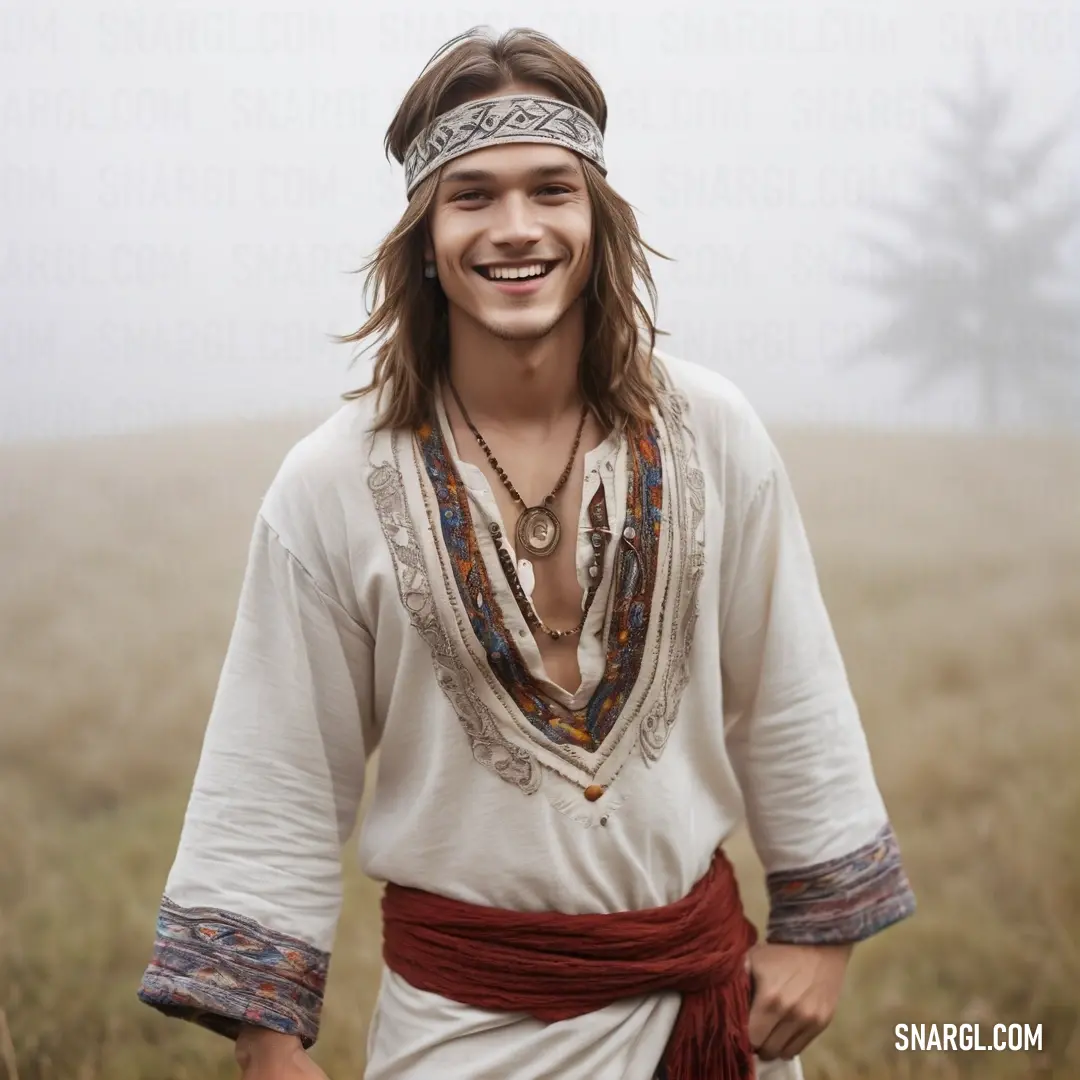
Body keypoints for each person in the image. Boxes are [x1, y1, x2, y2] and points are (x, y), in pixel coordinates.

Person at [137, 25, 915, 1080]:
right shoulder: (329, 485)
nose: (517, 227)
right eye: (473, 195)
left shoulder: (714, 434)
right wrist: (268, 1045)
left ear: (596, 216)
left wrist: (821, 935)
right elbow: (278, 763)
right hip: (462, 1038)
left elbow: (786, 689)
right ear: (424, 234)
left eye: (551, 188)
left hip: (708, 1019)